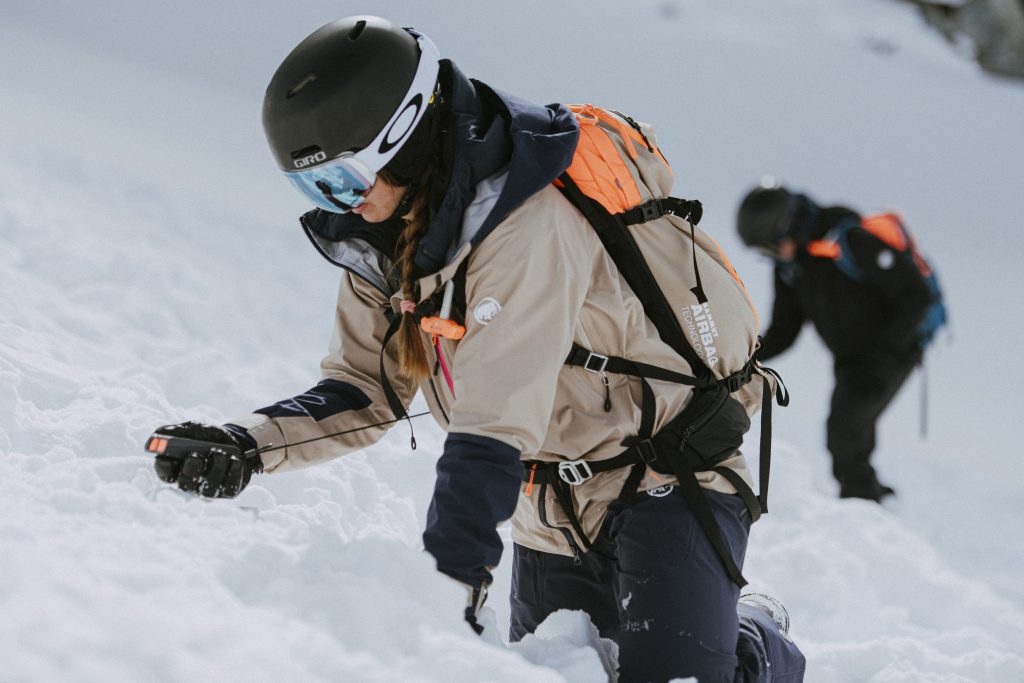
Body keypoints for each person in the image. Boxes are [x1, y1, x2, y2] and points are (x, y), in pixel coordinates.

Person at [146, 16, 806, 682]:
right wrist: (246, 444)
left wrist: (444, 588)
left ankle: (754, 635)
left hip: (669, 475)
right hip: (548, 501)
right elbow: (362, 391)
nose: (339, 205)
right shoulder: (383, 237)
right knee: (565, 671)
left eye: (343, 181)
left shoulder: (529, 223)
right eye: (313, 189)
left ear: (403, 139)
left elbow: (491, 427)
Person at [736, 181, 937, 502]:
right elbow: (785, 329)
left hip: (893, 351)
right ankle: (870, 500)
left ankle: (861, 505)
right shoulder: (792, 267)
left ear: (788, 226)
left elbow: (917, 296)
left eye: (770, 246)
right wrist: (741, 356)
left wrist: (885, 353)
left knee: (844, 427)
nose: (771, 256)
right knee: (850, 425)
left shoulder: (853, 241)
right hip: (851, 357)